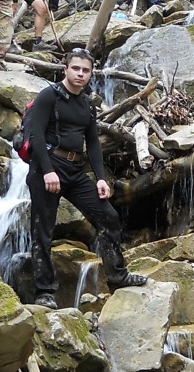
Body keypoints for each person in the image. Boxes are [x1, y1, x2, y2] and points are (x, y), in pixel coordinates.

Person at [27, 48, 147, 308]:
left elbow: (92, 142)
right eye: (76, 69)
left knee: (109, 216)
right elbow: (35, 134)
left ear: (91, 74)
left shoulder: (86, 104)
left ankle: (117, 275)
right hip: (47, 167)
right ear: (65, 70)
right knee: (42, 230)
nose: (80, 74)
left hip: (74, 170)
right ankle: (44, 292)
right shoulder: (49, 96)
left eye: (85, 70)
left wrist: (101, 178)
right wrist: (47, 171)